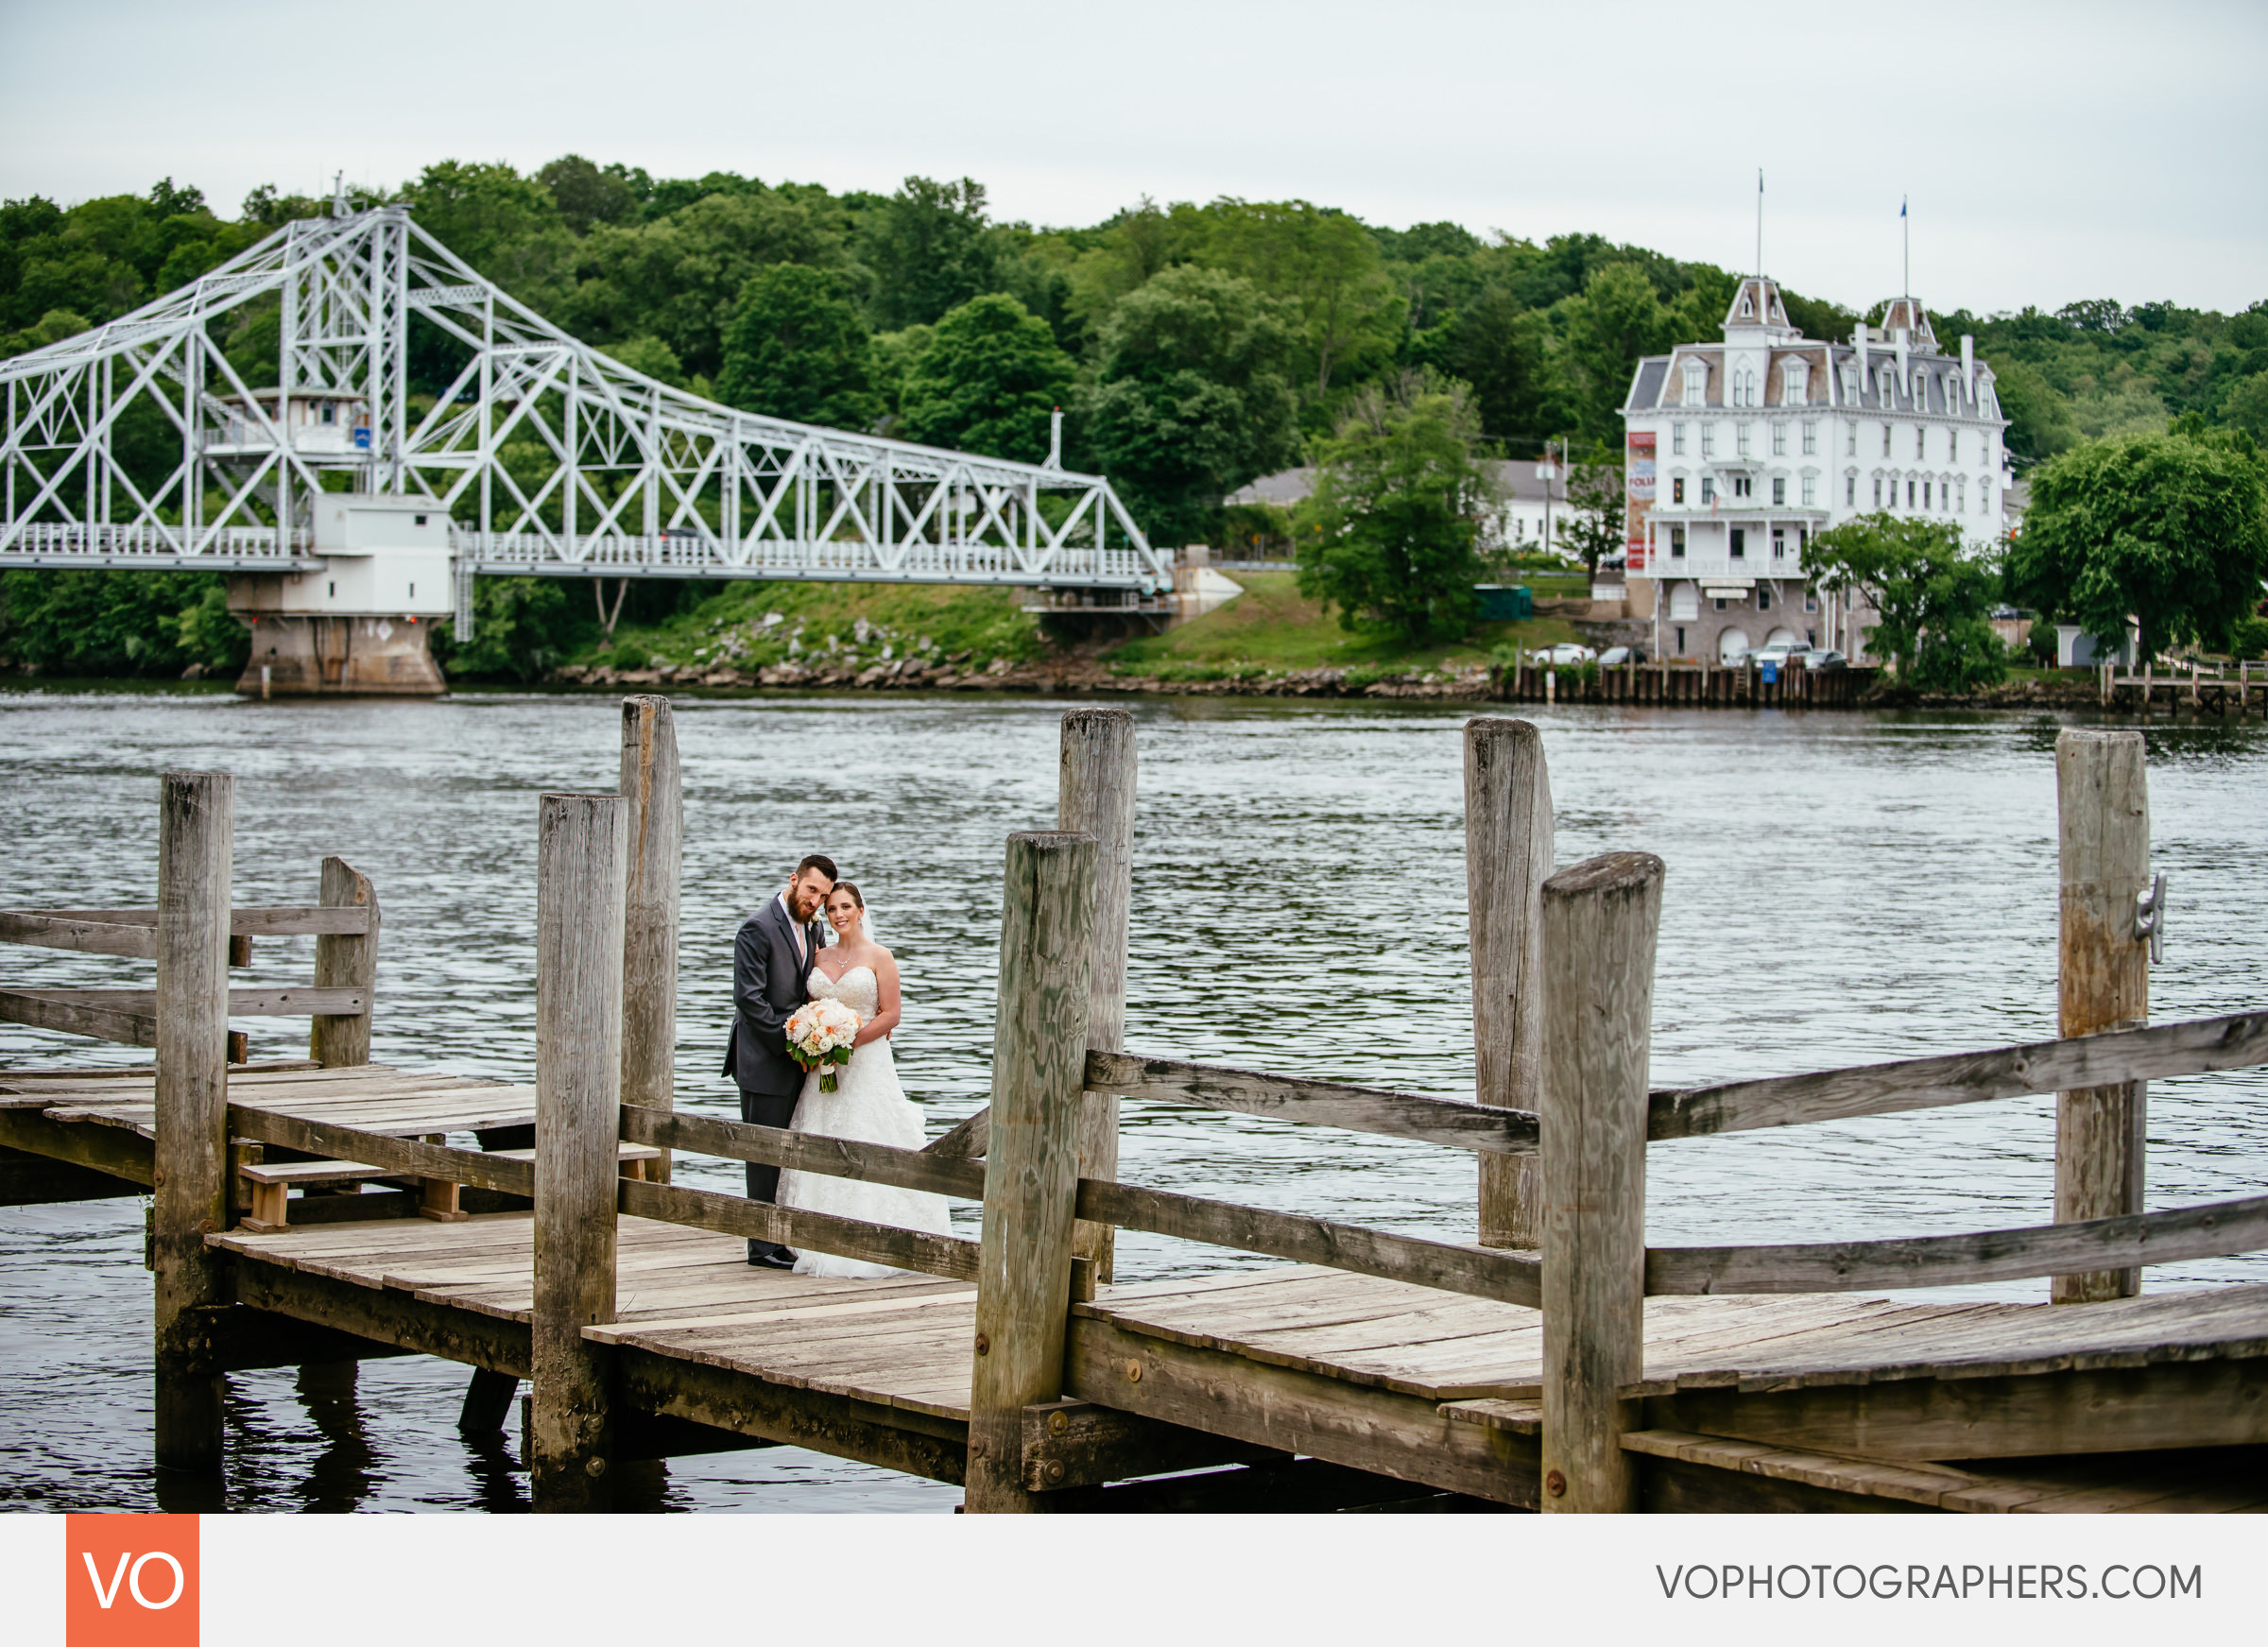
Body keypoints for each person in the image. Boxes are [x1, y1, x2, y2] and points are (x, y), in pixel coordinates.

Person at [776, 881, 953, 1278]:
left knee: (873, 1134)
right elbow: (810, 1008)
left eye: (845, 907)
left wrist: (846, 1041)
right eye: (832, 908)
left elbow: (891, 1014)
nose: (838, 915)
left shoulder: (880, 956)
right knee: (824, 1137)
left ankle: (887, 1236)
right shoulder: (818, 957)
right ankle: (821, 1235)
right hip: (825, 1067)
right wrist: (816, 1038)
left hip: (867, 1062)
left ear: (859, 910)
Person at [722, 853, 834, 1268]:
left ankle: (780, 1239)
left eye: (823, 896)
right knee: (763, 1154)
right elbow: (749, 1000)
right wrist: (791, 1045)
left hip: (798, 1058)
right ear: (794, 880)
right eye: (811, 891)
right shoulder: (757, 927)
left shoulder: (815, 927)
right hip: (763, 1059)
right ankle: (761, 1247)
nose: (816, 902)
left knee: (787, 1152)